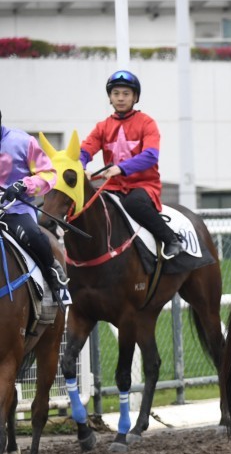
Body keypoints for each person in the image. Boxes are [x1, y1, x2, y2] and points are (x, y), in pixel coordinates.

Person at [79, 69, 183, 260]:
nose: (120, 98)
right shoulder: (102, 126)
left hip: (143, 186)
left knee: (133, 203)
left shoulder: (147, 123)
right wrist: (81, 166)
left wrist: (121, 168)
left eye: (126, 94)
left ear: (135, 97)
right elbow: (85, 149)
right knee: (90, 205)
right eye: (116, 93)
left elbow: (151, 155)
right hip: (111, 186)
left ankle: (171, 240)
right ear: (110, 97)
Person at [0, 111, 68, 300]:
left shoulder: (22, 142)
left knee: (33, 236)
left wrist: (23, 184)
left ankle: (53, 274)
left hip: (15, 210)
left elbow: (49, 175)